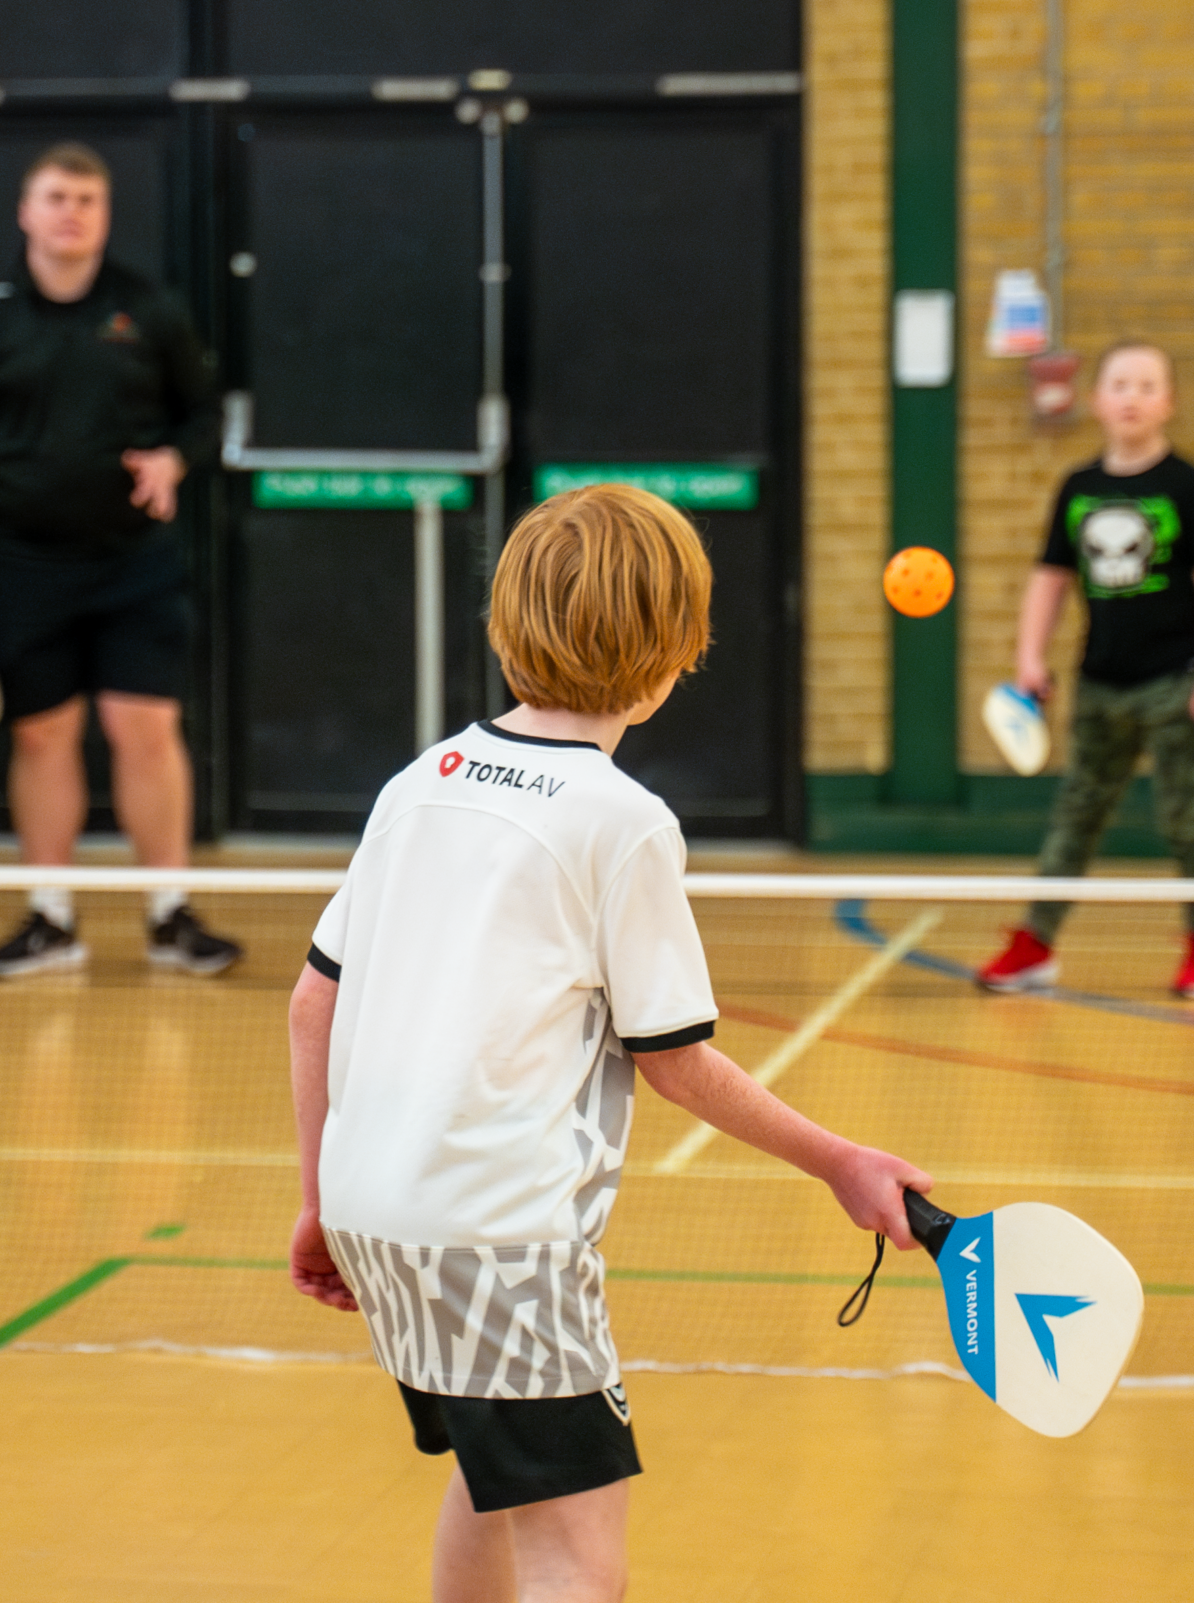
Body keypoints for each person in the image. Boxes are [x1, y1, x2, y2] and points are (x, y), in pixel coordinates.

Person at [285, 484, 930, 1603]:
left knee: (499, 1481)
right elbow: (672, 1057)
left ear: (508, 621)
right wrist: (840, 1158)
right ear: (674, 652)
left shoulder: (418, 781)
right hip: (500, 1237)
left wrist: (317, 1198)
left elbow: (311, 1002)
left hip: (373, 1212)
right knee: (578, 1556)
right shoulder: (622, 821)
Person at [0, 142, 241, 979]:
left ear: (104, 214)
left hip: (134, 565)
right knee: (44, 734)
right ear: (26, 211)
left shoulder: (148, 310)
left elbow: (203, 415)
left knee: (145, 727)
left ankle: (170, 915)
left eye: (87, 198)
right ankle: (51, 918)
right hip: (14, 564)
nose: (71, 212)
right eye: (56, 196)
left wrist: (174, 461)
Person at [976, 341, 1194, 1001]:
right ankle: (1036, 943)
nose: (1132, 396)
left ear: (1168, 403)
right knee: (1075, 816)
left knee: (1191, 821)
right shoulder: (1079, 488)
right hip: (1099, 683)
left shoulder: (1190, 486)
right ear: (1096, 401)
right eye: (1120, 384)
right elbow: (1049, 581)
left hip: (1177, 683)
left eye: (1148, 385)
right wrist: (1030, 661)